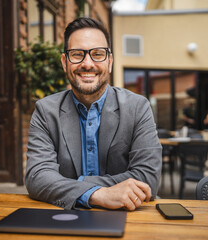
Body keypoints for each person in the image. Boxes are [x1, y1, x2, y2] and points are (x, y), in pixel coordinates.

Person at [25, 17, 162, 211]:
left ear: (110, 61)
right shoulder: (45, 111)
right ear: (65, 62)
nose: (87, 63)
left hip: (130, 218)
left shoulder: (138, 107)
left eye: (98, 54)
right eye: (77, 54)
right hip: (65, 219)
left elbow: (148, 177)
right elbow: (37, 177)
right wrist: (98, 194)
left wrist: (75, 184)